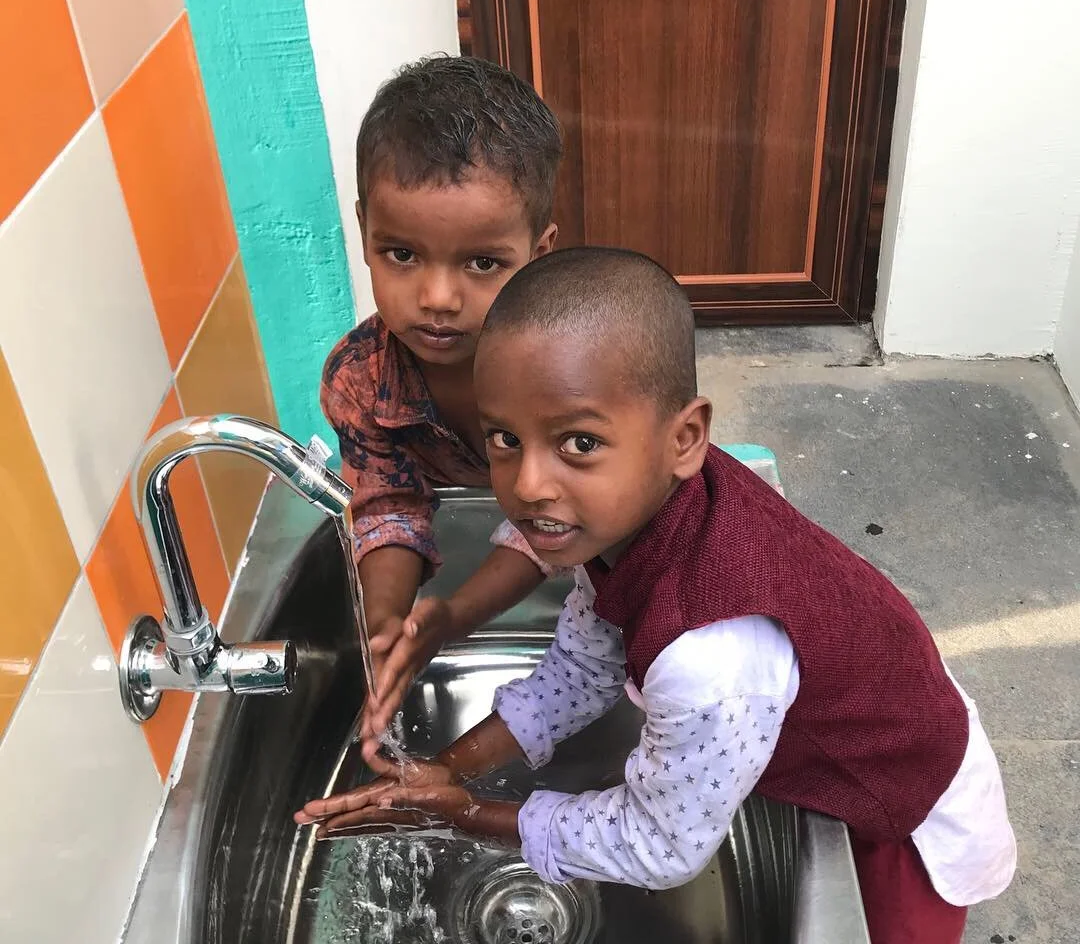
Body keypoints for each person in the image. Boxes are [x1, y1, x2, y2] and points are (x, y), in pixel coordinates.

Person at [297, 247, 1016, 943]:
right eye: (505, 438)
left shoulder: (711, 653)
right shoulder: (630, 513)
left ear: (686, 437)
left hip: (900, 817)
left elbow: (664, 846)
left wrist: (473, 813)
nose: (528, 484)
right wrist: (446, 769)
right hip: (846, 739)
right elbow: (582, 668)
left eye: (578, 443)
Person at [322, 55, 561, 745]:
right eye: (401, 254)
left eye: (482, 263)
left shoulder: (568, 368)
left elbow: (551, 516)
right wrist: (391, 625)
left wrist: (454, 615)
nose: (436, 299)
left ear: (538, 253)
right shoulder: (361, 379)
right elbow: (389, 504)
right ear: (365, 229)